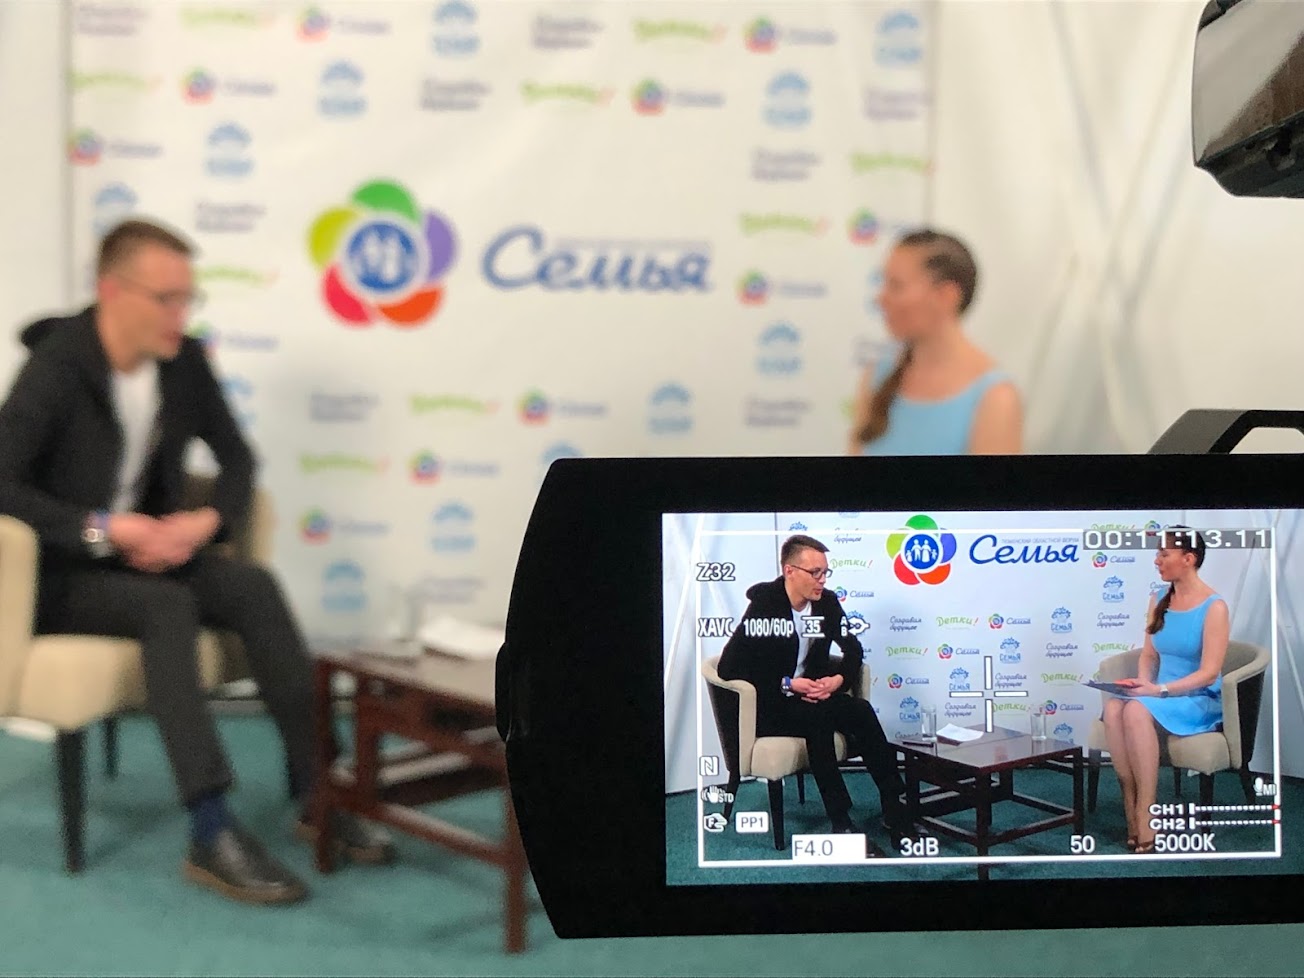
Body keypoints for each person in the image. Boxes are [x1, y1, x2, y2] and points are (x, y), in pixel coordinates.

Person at [0, 219, 394, 905]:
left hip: (142, 557)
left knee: (252, 586)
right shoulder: (56, 369)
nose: (181, 315)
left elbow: (237, 458)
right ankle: (210, 829)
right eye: (167, 299)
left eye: (189, 298)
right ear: (111, 290)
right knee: (167, 605)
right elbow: (3, 485)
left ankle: (318, 792)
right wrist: (104, 529)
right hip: (61, 574)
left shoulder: (181, 362)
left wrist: (205, 522)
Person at [717, 534, 914, 856]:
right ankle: (841, 821)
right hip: (773, 703)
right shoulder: (765, 605)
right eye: (815, 573)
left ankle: (894, 807)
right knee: (817, 718)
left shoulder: (828, 603)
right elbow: (729, 667)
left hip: (815, 695)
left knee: (861, 710)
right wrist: (787, 684)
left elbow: (853, 650)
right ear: (790, 571)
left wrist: (838, 679)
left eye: (825, 572)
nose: (822, 580)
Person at [1100, 527, 1228, 854]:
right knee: (1114, 707)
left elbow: (1209, 673)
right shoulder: (1158, 597)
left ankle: (1147, 810)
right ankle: (1129, 796)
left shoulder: (1214, 607)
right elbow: (1148, 655)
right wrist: (1143, 684)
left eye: (1164, 554)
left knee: (1135, 709)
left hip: (1195, 698)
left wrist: (1158, 690)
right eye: (1157, 554)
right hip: (1159, 692)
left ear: (1189, 559)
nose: (1157, 560)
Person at [847, 228, 1022, 456]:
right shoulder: (878, 376)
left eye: (896, 285)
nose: (880, 298)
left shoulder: (995, 399)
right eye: (884, 283)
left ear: (946, 296)